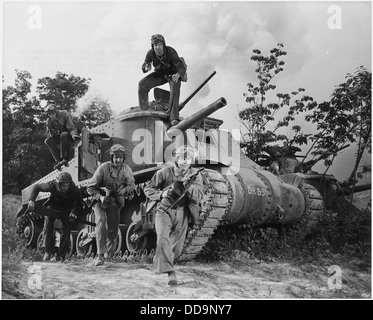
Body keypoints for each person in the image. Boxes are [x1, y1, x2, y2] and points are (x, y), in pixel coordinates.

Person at [143, 146, 203, 286]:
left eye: (188, 159)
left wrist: (188, 187)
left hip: (182, 212)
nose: (184, 162)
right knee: (163, 238)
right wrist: (161, 194)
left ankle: (162, 261)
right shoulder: (165, 172)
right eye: (182, 158)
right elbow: (148, 188)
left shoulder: (196, 175)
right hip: (164, 210)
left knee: (177, 247)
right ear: (176, 159)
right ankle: (171, 273)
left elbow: (199, 196)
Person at [87, 144, 136, 266]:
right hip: (100, 200)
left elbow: (131, 185)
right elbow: (90, 187)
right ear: (111, 157)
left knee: (113, 227)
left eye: (120, 157)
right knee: (101, 222)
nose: (118, 160)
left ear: (123, 158)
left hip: (114, 200)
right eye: (115, 157)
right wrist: (101, 196)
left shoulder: (127, 170)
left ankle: (110, 254)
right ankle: (100, 255)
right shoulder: (103, 168)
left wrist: (124, 191)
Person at [27, 172, 84, 262]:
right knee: (48, 226)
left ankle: (61, 255)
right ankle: (48, 252)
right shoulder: (52, 185)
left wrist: (74, 212)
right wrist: (32, 200)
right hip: (52, 207)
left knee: (67, 231)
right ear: (58, 184)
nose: (66, 188)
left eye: (68, 185)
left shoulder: (74, 190)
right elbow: (37, 187)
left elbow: (79, 204)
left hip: (67, 210)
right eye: (63, 186)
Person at [138, 34, 187, 126]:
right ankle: (144, 109)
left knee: (175, 89)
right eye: (155, 45)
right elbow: (144, 65)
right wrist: (146, 68)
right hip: (160, 74)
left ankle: (173, 117)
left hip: (172, 74)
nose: (157, 47)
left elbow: (182, 68)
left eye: (160, 45)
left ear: (163, 45)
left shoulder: (171, 52)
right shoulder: (150, 53)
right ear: (153, 46)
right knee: (142, 84)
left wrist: (178, 75)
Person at [44, 103, 81, 170]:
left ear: (56, 112)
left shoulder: (64, 114)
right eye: (49, 114)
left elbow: (71, 127)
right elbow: (49, 133)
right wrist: (51, 134)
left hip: (71, 135)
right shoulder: (48, 121)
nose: (51, 116)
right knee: (47, 141)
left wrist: (75, 135)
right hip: (61, 138)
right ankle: (59, 160)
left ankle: (65, 158)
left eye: (53, 113)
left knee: (64, 134)